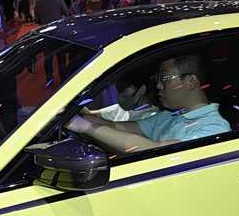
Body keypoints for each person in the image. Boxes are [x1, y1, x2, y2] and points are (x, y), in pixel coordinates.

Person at [65, 53, 230, 154]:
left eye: (164, 78)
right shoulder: (169, 116)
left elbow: (154, 148)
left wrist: (86, 127)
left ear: (191, 81)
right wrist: (72, 117)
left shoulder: (214, 128)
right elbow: (116, 126)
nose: (158, 85)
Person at [84, 81, 160, 122]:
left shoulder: (153, 116)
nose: (121, 95)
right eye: (119, 91)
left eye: (125, 90)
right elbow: (89, 114)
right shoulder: (120, 108)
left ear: (142, 89)